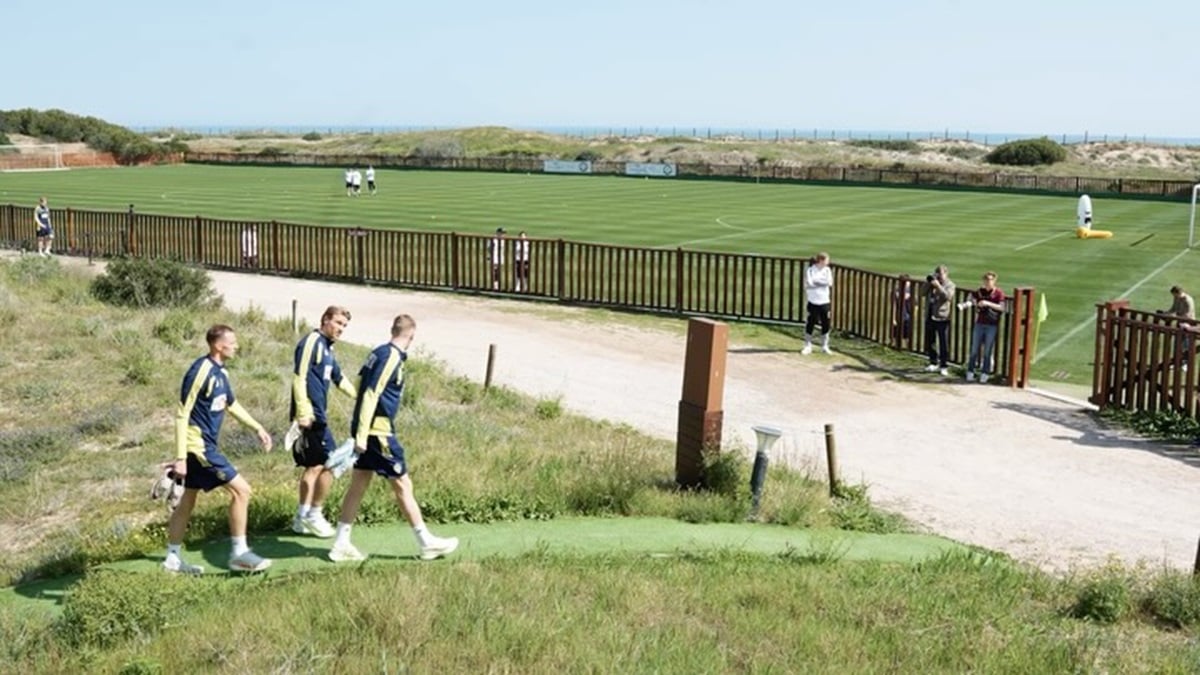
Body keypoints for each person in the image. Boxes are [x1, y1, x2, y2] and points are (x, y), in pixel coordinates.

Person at [328, 314, 459, 562]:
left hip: (370, 430)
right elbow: (371, 392)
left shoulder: (377, 352)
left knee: (359, 484)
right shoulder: (391, 356)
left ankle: (341, 542)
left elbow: (359, 384)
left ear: (393, 330)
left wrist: (358, 427)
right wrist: (362, 434)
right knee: (402, 484)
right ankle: (426, 542)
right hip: (378, 433)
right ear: (412, 336)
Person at [163, 324, 275, 574]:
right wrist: (181, 458)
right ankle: (240, 555)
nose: (236, 346)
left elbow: (231, 404)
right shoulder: (200, 370)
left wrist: (257, 428)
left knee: (187, 501)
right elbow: (182, 414)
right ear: (217, 345)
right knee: (242, 491)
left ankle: (172, 559)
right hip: (198, 447)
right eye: (232, 343)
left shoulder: (222, 373)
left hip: (205, 445)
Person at [289, 306, 358, 538]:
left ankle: (301, 517)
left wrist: (359, 399)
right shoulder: (312, 342)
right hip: (311, 415)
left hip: (318, 415)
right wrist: (303, 412)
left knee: (315, 466)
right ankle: (314, 514)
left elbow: (339, 378)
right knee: (332, 462)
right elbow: (299, 377)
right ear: (325, 320)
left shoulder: (328, 349)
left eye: (344, 325)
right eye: (338, 323)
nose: (341, 329)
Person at [965, 271, 1006, 384]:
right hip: (979, 323)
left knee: (988, 350)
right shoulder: (980, 291)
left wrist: (987, 303)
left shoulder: (998, 293)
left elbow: (1002, 307)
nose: (988, 282)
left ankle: (985, 372)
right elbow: (971, 297)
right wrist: (972, 302)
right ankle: (970, 371)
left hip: (991, 325)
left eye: (990, 280)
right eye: (986, 279)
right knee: (974, 349)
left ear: (994, 281)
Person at [923, 266, 956, 376]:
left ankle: (944, 365)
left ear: (946, 274)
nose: (939, 277)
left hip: (942, 317)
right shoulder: (932, 283)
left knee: (943, 343)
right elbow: (922, 293)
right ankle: (933, 362)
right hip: (930, 315)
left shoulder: (950, 285)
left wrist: (938, 286)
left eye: (941, 275)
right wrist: (928, 283)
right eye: (937, 274)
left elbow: (948, 297)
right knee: (930, 341)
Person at [801, 252, 833, 355]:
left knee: (826, 323)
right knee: (811, 322)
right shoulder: (810, 270)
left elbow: (829, 283)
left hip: (825, 301)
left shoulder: (827, 270)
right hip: (813, 301)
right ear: (821, 260)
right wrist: (822, 283)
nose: (828, 262)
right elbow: (810, 283)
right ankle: (807, 345)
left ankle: (825, 346)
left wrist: (817, 283)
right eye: (827, 260)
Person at [891, 273, 915, 344]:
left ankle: (907, 347)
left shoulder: (911, 293)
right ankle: (895, 346)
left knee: (907, 335)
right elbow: (894, 305)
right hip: (898, 317)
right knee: (895, 334)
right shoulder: (895, 292)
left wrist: (913, 316)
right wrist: (893, 318)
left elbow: (915, 306)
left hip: (908, 317)